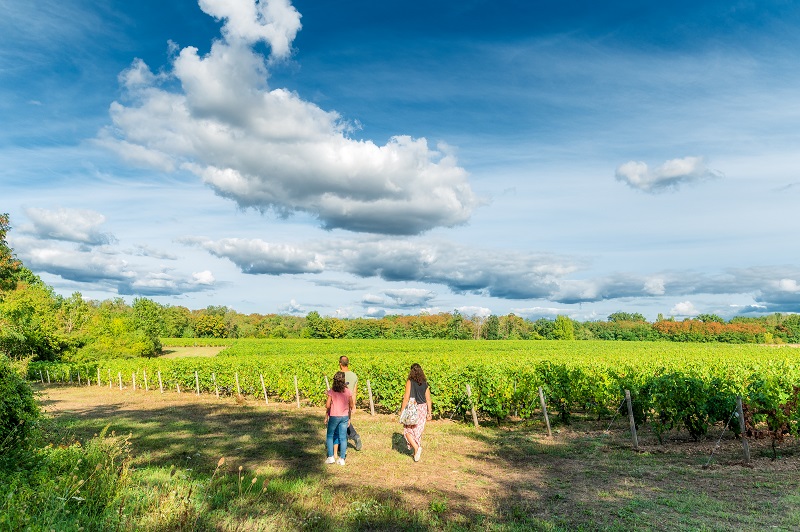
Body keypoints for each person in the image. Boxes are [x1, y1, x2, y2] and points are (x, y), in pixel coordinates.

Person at [399, 363, 432, 462]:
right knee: (417, 431)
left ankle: (417, 448)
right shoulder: (425, 383)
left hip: (413, 407)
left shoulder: (410, 382)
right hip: (423, 408)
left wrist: (402, 411)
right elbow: (428, 399)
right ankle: (415, 454)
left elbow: (406, 397)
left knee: (407, 430)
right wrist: (429, 413)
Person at [325, 371, 354, 466]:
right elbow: (351, 404)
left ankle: (331, 457)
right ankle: (342, 458)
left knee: (330, 435)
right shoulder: (348, 391)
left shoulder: (332, 391)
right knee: (343, 437)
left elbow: (327, 405)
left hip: (334, 416)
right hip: (344, 416)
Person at [339, 356, 363, 451]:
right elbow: (355, 392)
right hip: (349, 402)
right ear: (348, 363)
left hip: (339, 402)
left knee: (341, 422)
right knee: (346, 421)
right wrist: (353, 405)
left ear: (340, 364)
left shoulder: (338, 375)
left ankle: (352, 437)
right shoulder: (354, 376)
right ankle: (354, 437)